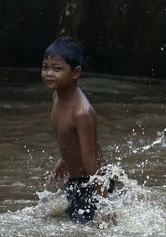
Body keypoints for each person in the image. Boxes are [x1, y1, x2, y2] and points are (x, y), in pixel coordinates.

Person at [42, 36, 114, 224]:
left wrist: (106, 203)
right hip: (76, 181)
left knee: (80, 233)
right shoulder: (56, 97)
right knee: (58, 219)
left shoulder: (82, 113)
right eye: (45, 67)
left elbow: (90, 161)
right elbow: (69, 137)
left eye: (56, 69)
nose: (49, 73)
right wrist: (62, 160)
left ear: (76, 73)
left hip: (92, 182)